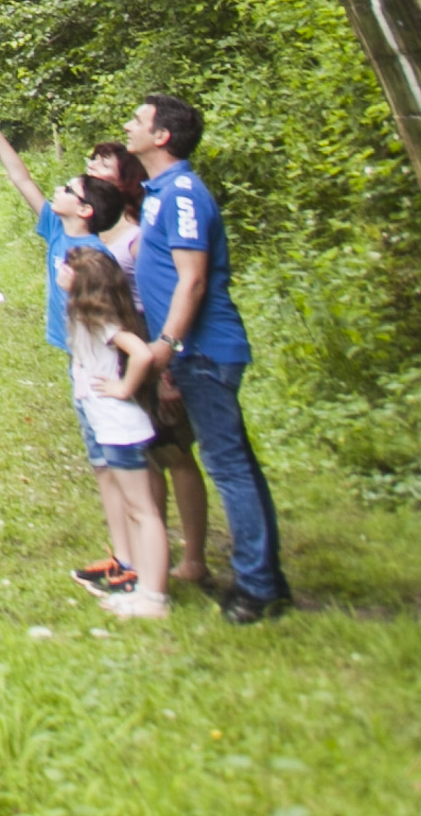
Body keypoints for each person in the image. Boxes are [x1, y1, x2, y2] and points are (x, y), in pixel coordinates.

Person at [0, 98, 161, 592]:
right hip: (79, 365)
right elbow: (22, 180)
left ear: (86, 210)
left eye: (68, 189)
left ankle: (135, 565)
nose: (58, 189)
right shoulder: (57, 232)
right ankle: (119, 558)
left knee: (118, 465)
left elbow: (117, 327)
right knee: (101, 466)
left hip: (101, 370)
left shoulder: (92, 258)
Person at [126, 90, 291, 622]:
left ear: (162, 136)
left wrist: (167, 347)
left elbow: (192, 281)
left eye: (138, 120)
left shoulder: (181, 195)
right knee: (236, 462)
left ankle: (257, 589)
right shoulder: (158, 192)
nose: (129, 126)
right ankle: (266, 577)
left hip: (203, 351)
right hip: (191, 352)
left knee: (228, 467)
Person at [59, 243, 173, 620]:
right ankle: (144, 588)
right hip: (111, 425)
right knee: (139, 510)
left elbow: (141, 354)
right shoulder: (85, 314)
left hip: (119, 425)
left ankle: (154, 597)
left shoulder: (101, 321)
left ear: (83, 283)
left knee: (144, 512)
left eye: (67, 268)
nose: (60, 269)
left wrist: (124, 388)